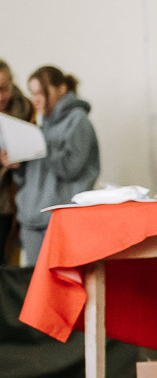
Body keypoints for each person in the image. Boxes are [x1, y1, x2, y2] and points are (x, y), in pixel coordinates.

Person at [2, 66, 100, 265]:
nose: (35, 99)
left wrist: (43, 145)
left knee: (61, 287)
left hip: (59, 222)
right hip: (31, 222)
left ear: (61, 89)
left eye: (40, 92)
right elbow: (29, 179)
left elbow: (71, 168)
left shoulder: (78, 121)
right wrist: (17, 164)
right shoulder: (41, 124)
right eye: (32, 93)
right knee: (35, 289)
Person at [0, 60, 36, 263]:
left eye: (4, 88)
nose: (1, 96)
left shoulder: (27, 109)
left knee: (9, 265)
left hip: (14, 201)